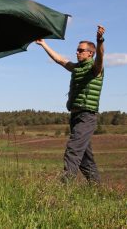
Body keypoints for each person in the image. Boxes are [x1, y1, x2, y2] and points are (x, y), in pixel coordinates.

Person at [36, 25, 105, 183]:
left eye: (81, 50)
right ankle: (98, 189)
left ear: (90, 53)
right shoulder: (76, 68)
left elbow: (101, 57)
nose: (77, 52)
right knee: (86, 159)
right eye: (77, 50)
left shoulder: (96, 69)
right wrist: (44, 44)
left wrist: (100, 41)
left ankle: (64, 187)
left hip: (87, 116)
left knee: (73, 150)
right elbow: (59, 60)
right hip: (75, 116)